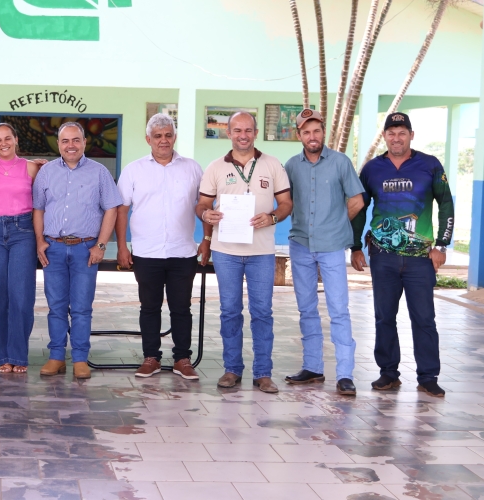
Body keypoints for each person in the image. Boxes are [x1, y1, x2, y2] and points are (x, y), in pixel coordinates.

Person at [350, 112, 454, 397]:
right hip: (382, 256)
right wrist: (355, 246)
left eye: (402, 133)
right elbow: (359, 208)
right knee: (384, 317)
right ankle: (388, 373)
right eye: (391, 133)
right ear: (385, 136)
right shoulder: (372, 169)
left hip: (421, 257)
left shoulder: (430, 165)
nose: (396, 138)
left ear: (411, 135)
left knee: (424, 318)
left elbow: (445, 203)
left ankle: (428, 376)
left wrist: (442, 245)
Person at [196, 111, 292, 393]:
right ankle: (232, 369)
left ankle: (263, 373)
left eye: (248, 130)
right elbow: (202, 205)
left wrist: (272, 217)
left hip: (261, 252)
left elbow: (286, 203)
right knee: (229, 311)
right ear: (229, 133)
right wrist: (206, 216)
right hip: (225, 251)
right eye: (237, 130)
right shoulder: (215, 167)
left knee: (262, 311)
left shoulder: (272, 164)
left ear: (256, 133)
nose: (243, 135)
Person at [116, 113, 208, 380]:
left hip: (183, 252)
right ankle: (151, 358)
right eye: (157, 136)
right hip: (146, 252)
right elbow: (122, 210)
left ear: (174, 137)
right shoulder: (133, 170)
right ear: (148, 139)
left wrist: (206, 240)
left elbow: (205, 206)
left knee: (181, 308)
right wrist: (122, 247)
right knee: (149, 307)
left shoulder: (192, 168)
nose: (163, 140)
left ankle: (182, 359)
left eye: (168, 135)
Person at [283, 109, 365, 396]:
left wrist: (337, 224)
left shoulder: (341, 162)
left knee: (339, 309)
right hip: (301, 245)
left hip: (331, 247)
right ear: (299, 135)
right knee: (306, 308)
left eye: (316, 130)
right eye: (306, 132)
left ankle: (345, 374)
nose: (312, 136)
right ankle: (313, 367)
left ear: (323, 132)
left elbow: (357, 201)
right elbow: (285, 201)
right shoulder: (291, 166)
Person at [33, 121, 123, 379]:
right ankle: (56, 357)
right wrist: (39, 241)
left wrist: (101, 245)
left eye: (76, 140)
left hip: (85, 249)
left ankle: (81, 359)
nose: (70, 145)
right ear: (58, 144)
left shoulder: (99, 172)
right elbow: (38, 208)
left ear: (84, 142)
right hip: (54, 249)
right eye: (65, 141)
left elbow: (112, 208)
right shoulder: (46, 172)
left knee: (82, 307)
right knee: (56, 307)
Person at [0, 123, 44, 374]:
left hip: (23, 232)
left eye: (8, 138)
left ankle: (18, 355)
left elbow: (41, 204)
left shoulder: (31, 168)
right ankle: (1, 356)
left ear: (16, 140)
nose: (3, 143)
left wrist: (40, 237)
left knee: (21, 295)